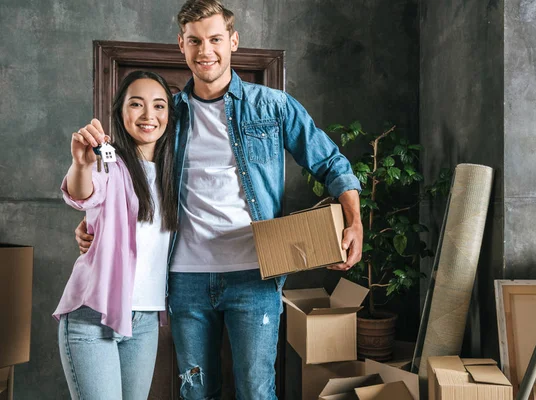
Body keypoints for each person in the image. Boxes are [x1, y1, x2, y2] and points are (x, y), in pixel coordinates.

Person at [75, 1, 363, 398]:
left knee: (256, 392)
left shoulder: (272, 106)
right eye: (194, 41)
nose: (204, 50)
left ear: (233, 42)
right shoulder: (167, 114)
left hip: (255, 276)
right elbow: (129, 180)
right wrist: (95, 221)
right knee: (196, 394)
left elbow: (331, 163)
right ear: (181, 45)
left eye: (214, 39)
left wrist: (354, 221)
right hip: (184, 279)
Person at [55, 70, 178, 400]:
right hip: (94, 317)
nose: (149, 115)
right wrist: (81, 165)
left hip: (146, 321)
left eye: (159, 105)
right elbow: (86, 193)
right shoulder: (109, 164)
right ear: (120, 112)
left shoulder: (175, 175)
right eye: (136, 104)